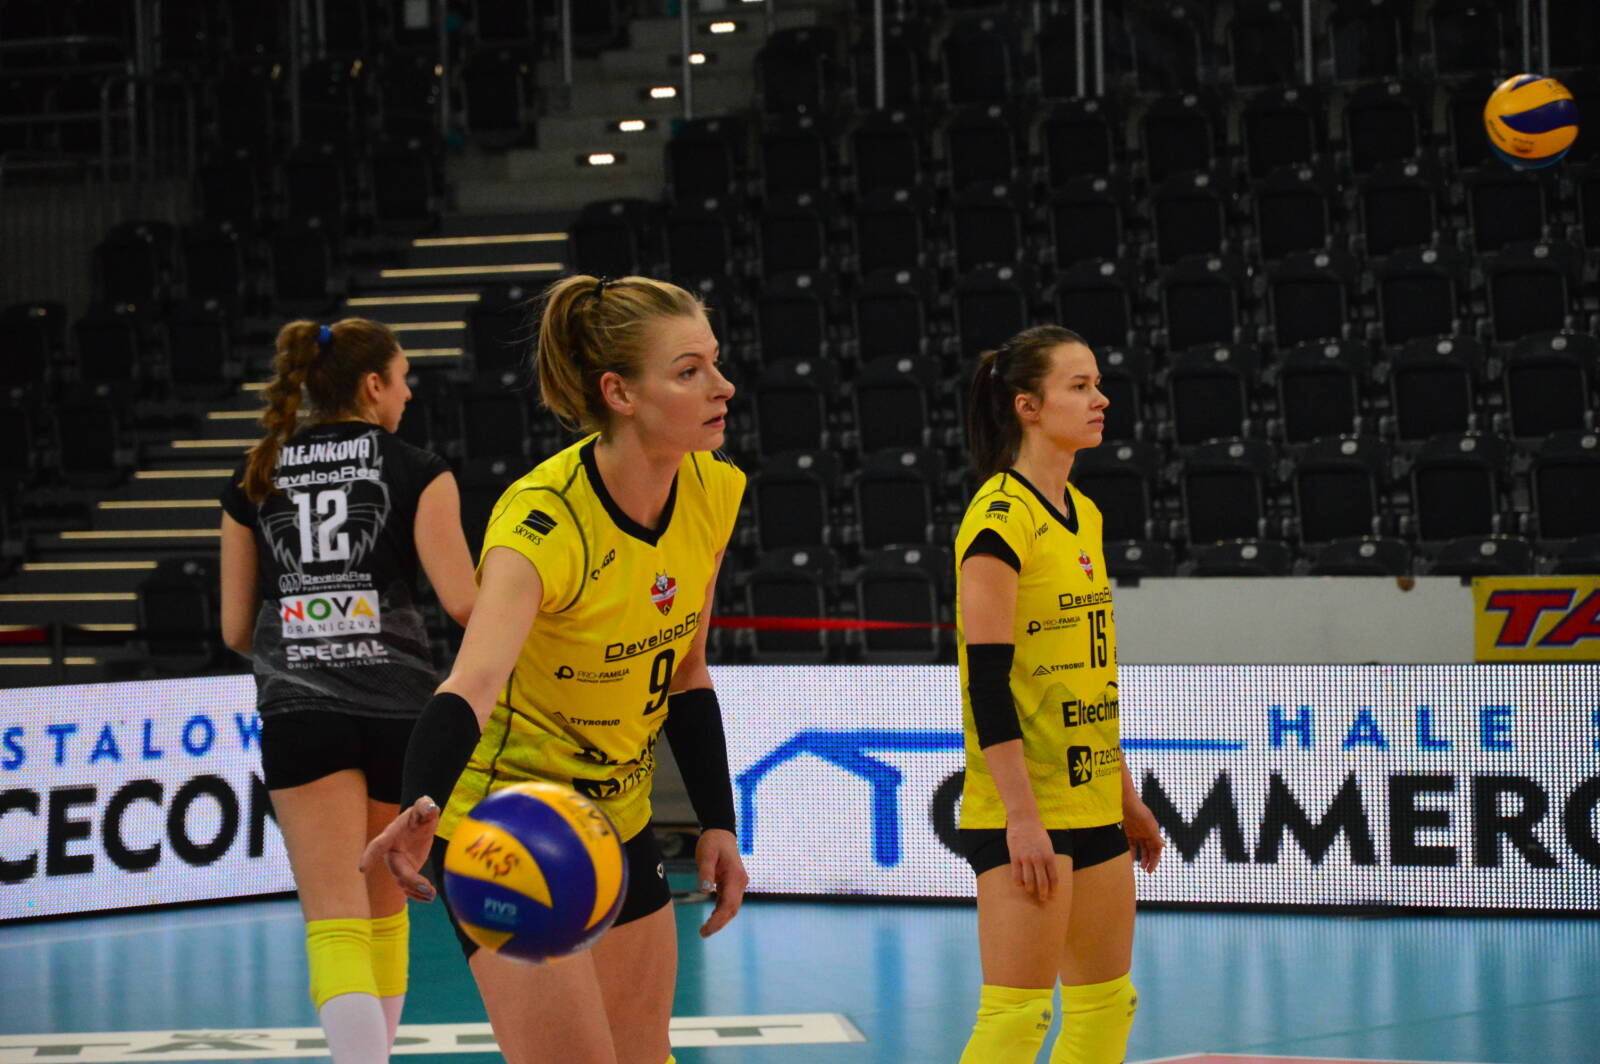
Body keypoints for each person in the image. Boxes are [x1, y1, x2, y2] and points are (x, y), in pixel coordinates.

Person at [361, 274, 749, 1064]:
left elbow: (685, 671)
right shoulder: (543, 523)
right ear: (620, 393)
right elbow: (472, 683)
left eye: (714, 361)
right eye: (689, 371)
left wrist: (719, 820)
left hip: (620, 817)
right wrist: (419, 801)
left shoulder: (715, 488)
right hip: (513, 823)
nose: (722, 385)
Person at [219, 318, 478, 1064]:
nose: (407, 394)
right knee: (385, 916)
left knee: (335, 923)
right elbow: (465, 604)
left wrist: (308, 637)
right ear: (372, 385)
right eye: (402, 379)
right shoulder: (418, 468)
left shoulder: (255, 474)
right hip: (402, 713)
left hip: (301, 712)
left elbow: (235, 627)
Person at [952, 325, 1167, 1064]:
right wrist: (1020, 819)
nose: (1101, 399)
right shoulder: (999, 519)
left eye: (1097, 383)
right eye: (1079, 386)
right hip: (1023, 808)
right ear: (1028, 406)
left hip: (1093, 798)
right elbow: (986, 683)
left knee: (1107, 1005)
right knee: (1017, 1018)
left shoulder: (1086, 513)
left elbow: (1088, 677)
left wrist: (1125, 794)